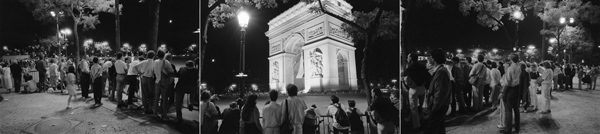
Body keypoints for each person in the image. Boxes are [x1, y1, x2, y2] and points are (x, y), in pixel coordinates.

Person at [421, 48, 451, 134]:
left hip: (439, 106)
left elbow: (440, 92)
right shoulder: (440, 70)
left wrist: (434, 108)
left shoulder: (441, 72)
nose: (428, 59)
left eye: (430, 57)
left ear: (434, 58)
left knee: (430, 129)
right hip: (441, 105)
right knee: (439, 129)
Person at [403, 53, 430, 128]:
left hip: (414, 89)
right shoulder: (422, 67)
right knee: (422, 106)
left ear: (411, 58)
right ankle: (424, 120)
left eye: (408, 57)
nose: (407, 58)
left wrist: (410, 84)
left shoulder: (409, 69)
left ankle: (417, 125)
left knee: (413, 109)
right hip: (423, 88)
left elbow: (407, 80)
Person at [498, 54, 522, 134]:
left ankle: (508, 130)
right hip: (517, 89)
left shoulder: (510, 68)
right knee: (516, 109)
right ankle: (517, 128)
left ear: (511, 59)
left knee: (508, 110)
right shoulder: (519, 67)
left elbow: (507, 82)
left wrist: (502, 93)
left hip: (510, 90)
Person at [153, 50, 175, 120]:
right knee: (164, 99)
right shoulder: (166, 62)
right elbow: (172, 71)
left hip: (157, 81)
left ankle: (155, 113)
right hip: (164, 82)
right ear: (164, 55)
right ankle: (164, 114)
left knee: (156, 98)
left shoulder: (155, 62)